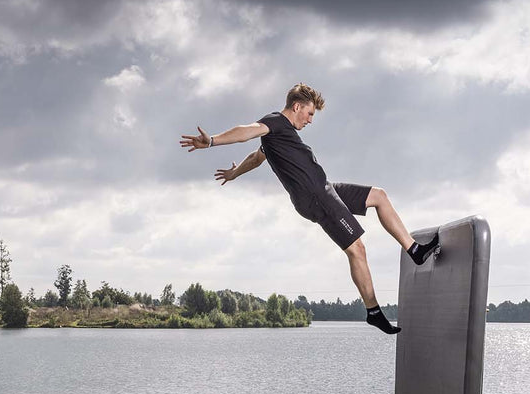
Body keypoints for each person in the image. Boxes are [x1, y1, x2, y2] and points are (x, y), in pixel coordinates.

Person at [179, 83, 439, 334]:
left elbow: (256, 157)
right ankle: (373, 312)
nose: (311, 120)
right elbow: (246, 130)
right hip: (315, 197)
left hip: (326, 189)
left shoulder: (279, 136)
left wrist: (235, 172)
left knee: (379, 196)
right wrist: (212, 141)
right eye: (310, 113)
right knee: (357, 249)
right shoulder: (274, 123)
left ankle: (414, 249)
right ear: (296, 106)